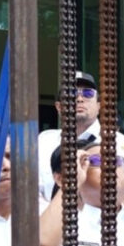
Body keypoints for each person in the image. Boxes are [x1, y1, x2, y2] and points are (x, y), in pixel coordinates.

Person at [37, 71, 108, 202]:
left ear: (99, 106)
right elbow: (33, 190)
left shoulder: (118, 143)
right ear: (59, 107)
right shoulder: (43, 141)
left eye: (88, 94)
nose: (80, 99)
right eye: (71, 93)